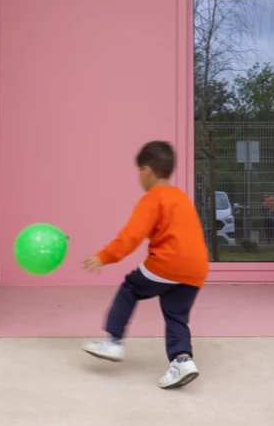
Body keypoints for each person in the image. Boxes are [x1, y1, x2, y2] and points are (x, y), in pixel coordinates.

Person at [81, 140, 210, 389]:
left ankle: (113, 341)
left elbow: (132, 235)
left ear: (147, 170)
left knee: (130, 288)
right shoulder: (181, 197)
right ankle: (182, 361)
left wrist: (105, 256)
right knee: (176, 314)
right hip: (196, 268)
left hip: (167, 263)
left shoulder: (153, 198)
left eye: (138, 171)